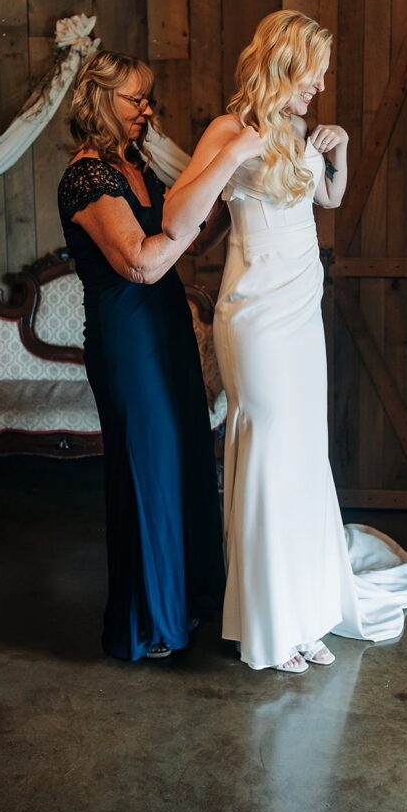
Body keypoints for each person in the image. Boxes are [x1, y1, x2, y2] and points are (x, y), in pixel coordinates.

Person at [162, 10, 407, 673]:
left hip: (301, 311)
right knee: (268, 451)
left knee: (303, 455)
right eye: (314, 73)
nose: (319, 86)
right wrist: (230, 155)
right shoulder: (230, 130)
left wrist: (335, 155)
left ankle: (304, 612)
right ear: (282, 63)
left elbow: (324, 202)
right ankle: (267, 622)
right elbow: (176, 217)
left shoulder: (301, 130)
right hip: (253, 315)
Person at [56, 50, 258, 662]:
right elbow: (142, 263)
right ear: (97, 102)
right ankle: (151, 623)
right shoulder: (87, 178)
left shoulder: (140, 163)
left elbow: (191, 242)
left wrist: (224, 200)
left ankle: (194, 601)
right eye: (134, 99)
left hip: (168, 328)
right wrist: (222, 162)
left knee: (188, 459)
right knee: (148, 469)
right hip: (126, 336)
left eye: (148, 97)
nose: (148, 109)